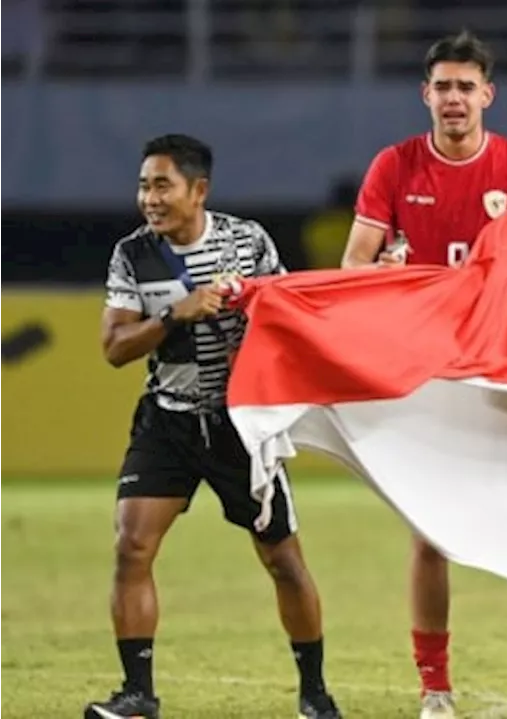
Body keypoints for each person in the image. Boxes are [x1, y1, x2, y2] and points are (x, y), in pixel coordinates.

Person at [340, 31, 507, 719]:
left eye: (467, 87)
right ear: (425, 94)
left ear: (487, 95)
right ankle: (435, 690)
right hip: (425, 372)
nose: (455, 98)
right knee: (430, 535)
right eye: (444, 86)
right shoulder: (395, 167)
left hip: (500, 366)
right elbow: (352, 269)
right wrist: (387, 276)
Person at [86, 134, 341, 719]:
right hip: (168, 422)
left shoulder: (246, 242)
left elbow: (286, 317)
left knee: (282, 559)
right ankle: (137, 696)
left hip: (239, 427)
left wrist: (252, 350)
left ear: (198, 190)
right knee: (132, 546)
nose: (149, 198)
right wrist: (176, 314)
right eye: (144, 185)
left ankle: (315, 691)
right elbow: (114, 347)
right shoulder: (134, 254)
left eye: (162, 185)